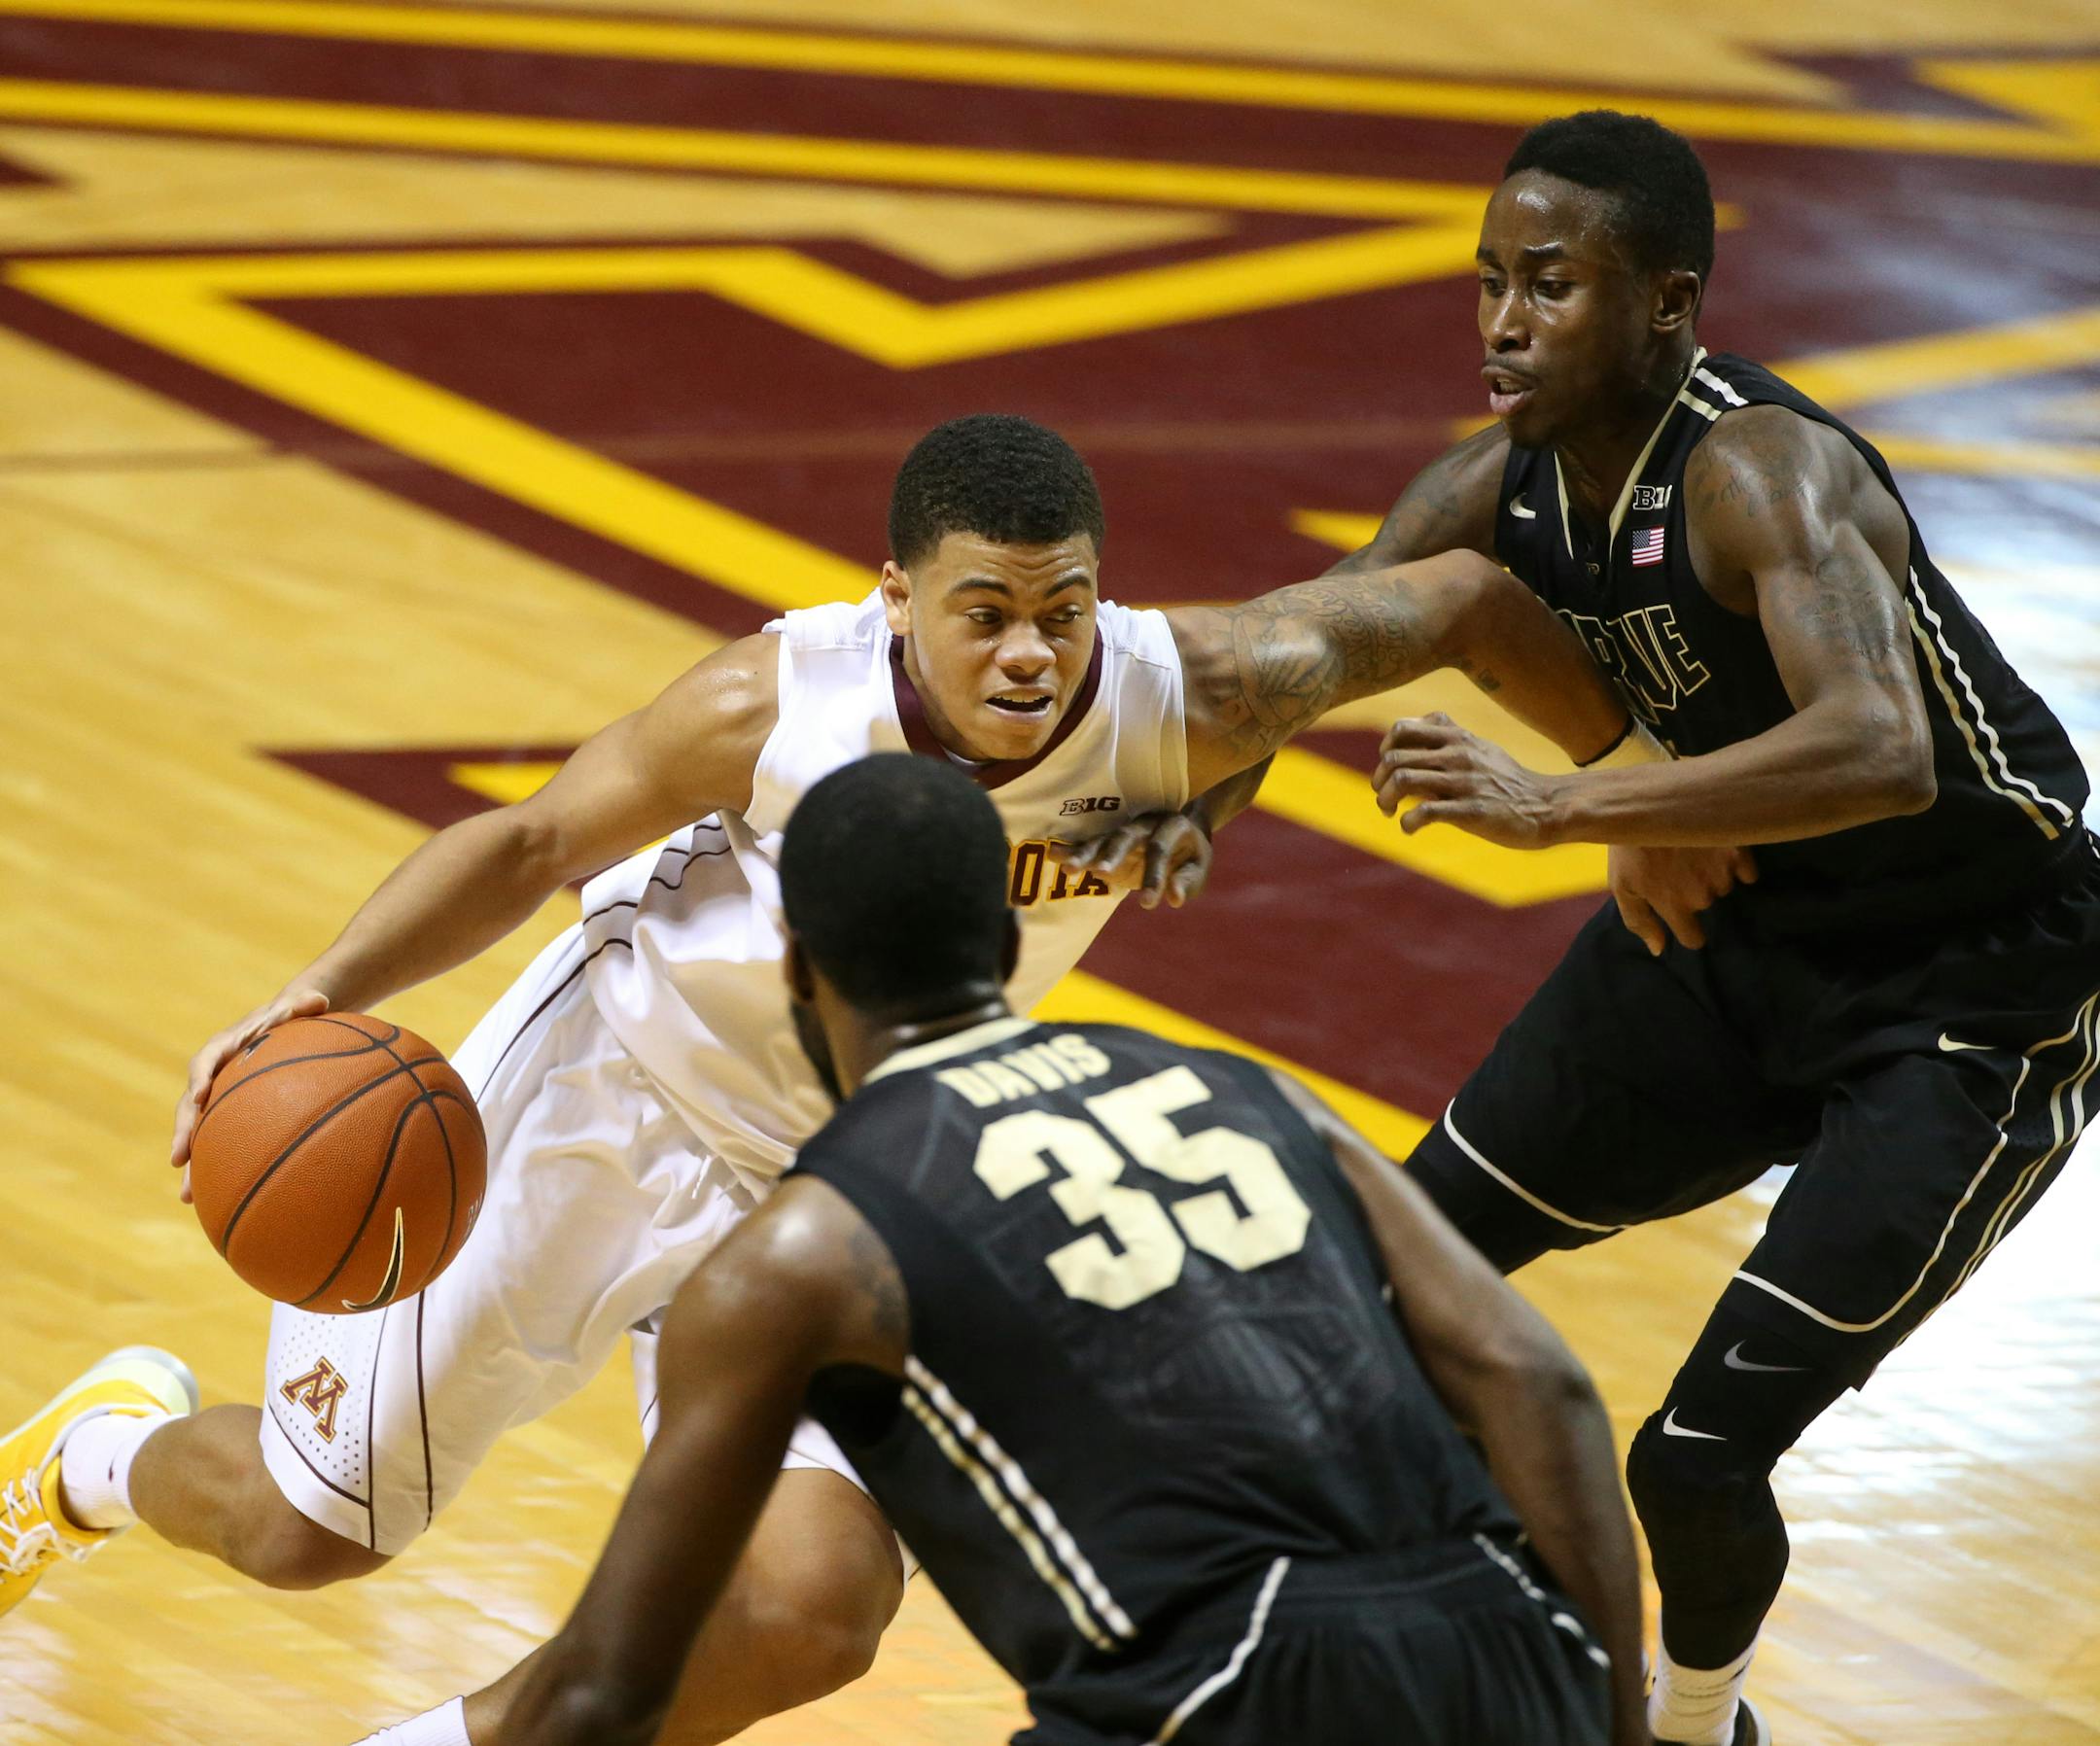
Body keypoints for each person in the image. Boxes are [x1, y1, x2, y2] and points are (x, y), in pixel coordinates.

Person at [0, 413, 1635, 1744]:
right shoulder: (776, 700)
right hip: (605, 1104)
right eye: (983, 611)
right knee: (310, 1534)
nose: (1029, 655)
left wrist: (1629, 799)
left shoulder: (1181, 690)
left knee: (812, 1613)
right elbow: (534, 838)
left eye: (1062, 610)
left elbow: (1463, 598)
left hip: (857, 1184)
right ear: (895, 598)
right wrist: (319, 991)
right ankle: (95, 1454)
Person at [1349, 111, 2100, 1746]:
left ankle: (1697, 1733)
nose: (1501, 319)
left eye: (1548, 283)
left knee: (1692, 1458)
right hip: (1742, 932)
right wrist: (1144, 787)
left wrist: (1576, 806)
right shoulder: (1500, 484)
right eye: (1487, 282)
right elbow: (1316, 635)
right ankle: (1470, 1653)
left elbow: (1883, 749)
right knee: (1388, 1291)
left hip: (1973, 991)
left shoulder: (1762, 468)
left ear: (1668, 304)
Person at [499, 751, 1646, 1746]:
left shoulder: (807, 1245)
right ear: (1003, 940)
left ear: (799, 965)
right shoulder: (1251, 1090)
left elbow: (603, 1693)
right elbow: (1538, 1381)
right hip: (1514, 1643)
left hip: (1224, 1693)